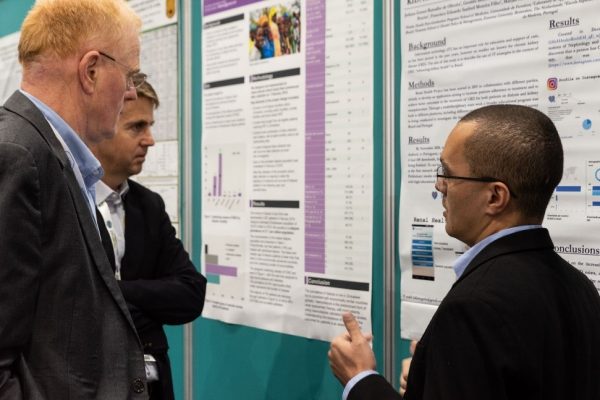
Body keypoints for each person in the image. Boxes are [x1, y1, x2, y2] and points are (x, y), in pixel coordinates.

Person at [329, 104, 600, 400]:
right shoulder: (582, 289)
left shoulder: (474, 307)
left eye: (448, 173)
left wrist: (360, 378)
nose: (439, 185)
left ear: (495, 197)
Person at [0, 0, 148, 398]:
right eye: (130, 75)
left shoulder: (52, 157)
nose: (132, 92)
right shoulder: (19, 156)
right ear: (92, 70)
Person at [89, 81, 207, 400]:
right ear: (100, 126)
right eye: (137, 127)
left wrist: (113, 292)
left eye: (150, 126)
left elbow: (191, 293)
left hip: (149, 384)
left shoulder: (148, 205)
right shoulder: (65, 201)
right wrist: (151, 298)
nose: (150, 140)